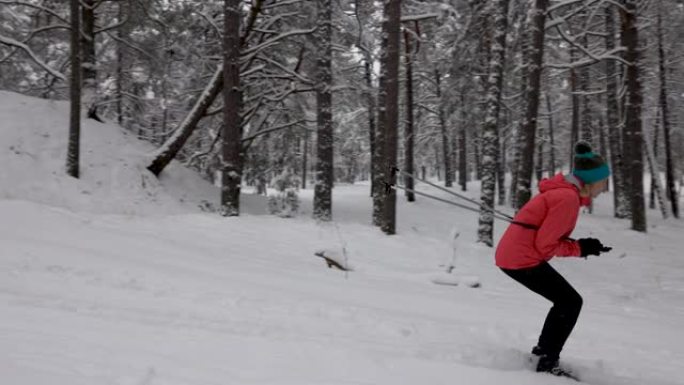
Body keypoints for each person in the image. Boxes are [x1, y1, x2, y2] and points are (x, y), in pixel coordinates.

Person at [495, 141, 612, 378]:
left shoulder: (564, 194)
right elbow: (546, 244)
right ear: (589, 182)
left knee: (566, 301)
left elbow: (547, 236)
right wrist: (579, 249)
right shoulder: (567, 199)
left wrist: (582, 246)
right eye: (603, 182)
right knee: (570, 302)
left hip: (518, 254)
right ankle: (546, 361)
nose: (604, 188)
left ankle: (544, 355)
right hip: (521, 258)